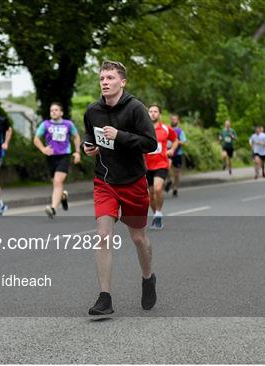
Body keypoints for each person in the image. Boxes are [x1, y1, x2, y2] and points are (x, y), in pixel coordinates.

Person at [83, 60, 158, 315]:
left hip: (133, 182)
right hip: (105, 181)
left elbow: (150, 143)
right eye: (102, 78)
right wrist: (88, 148)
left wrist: (120, 136)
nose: (104, 82)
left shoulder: (136, 109)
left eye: (110, 78)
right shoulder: (92, 110)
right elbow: (90, 139)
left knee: (138, 238)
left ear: (122, 82)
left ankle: (148, 278)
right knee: (103, 236)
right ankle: (105, 297)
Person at [33, 102, 81, 218]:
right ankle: (63, 196)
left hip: (64, 155)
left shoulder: (68, 124)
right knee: (55, 183)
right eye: (51, 110)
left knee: (58, 182)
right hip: (51, 157)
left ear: (61, 112)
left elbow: (76, 137)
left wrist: (77, 152)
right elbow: (36, 139)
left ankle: (53, 208)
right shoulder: (46, 124)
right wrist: (43, 149)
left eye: (56, 110)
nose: (53, 112)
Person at [145, 105, 178, 230]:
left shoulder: (165, 128)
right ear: (148, 114)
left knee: (158, 189)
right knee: (150, 195)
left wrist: (172, 150)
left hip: (161, 164)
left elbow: (175, 140)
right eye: (151, 111)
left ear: (159, 115)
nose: (153, 113)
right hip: (147, 166)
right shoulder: (143, 130)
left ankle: (158, 213)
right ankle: (156, 215)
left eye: (155, 111)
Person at [165, 114, 187, 197]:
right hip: (169, 152)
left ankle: (175, 188)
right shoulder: (167, 129)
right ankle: (169, 180)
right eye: (172, 119)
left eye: (175, 119)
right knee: (166, 168)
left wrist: (177, 141)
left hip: (177, 153)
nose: (173, 120)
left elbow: (184, 142)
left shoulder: (180, 131)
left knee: (176, 173)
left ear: (178, 121)